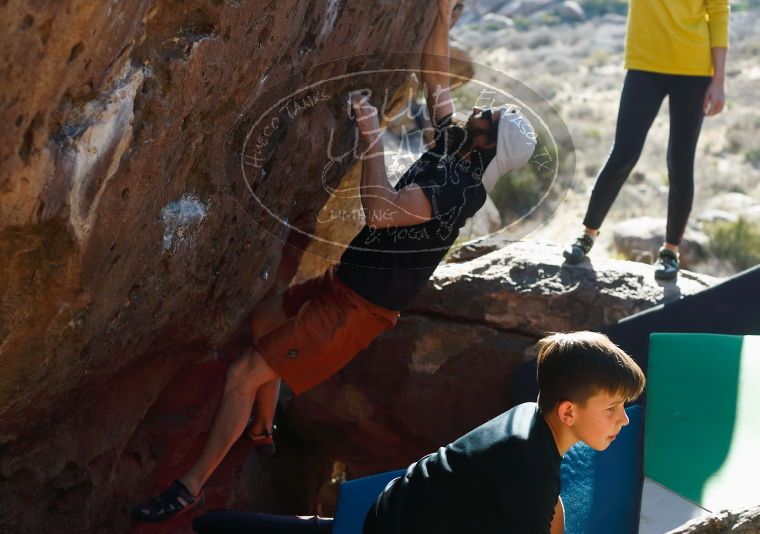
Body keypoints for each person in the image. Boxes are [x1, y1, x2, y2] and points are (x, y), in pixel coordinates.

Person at [131, 0, 536, 522]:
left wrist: (371, 139)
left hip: (356, 310)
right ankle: (261, 427)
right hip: (344, 282)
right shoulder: (455, 148)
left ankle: (189, 487)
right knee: (263, 321)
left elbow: (382, 212)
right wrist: (439, 15)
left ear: (489, 143)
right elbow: (435, 81)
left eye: (490, 117)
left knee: (243, 374)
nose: (480, 110)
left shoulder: (461, 188)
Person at [361, 331, 646, 534]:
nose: (624, 420)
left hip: (398, 503)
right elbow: (535, 489)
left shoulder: (530, 415)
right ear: (568, 412)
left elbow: (548, 503)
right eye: (611, 408)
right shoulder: (531, 474)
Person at [563, 0, 730, 280]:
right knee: (624, 153)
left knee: (680, 162)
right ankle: (587, 234)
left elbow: (718, 12)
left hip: (694, 68)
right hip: (645, 65)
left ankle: (670, 251)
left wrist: (719, 80)